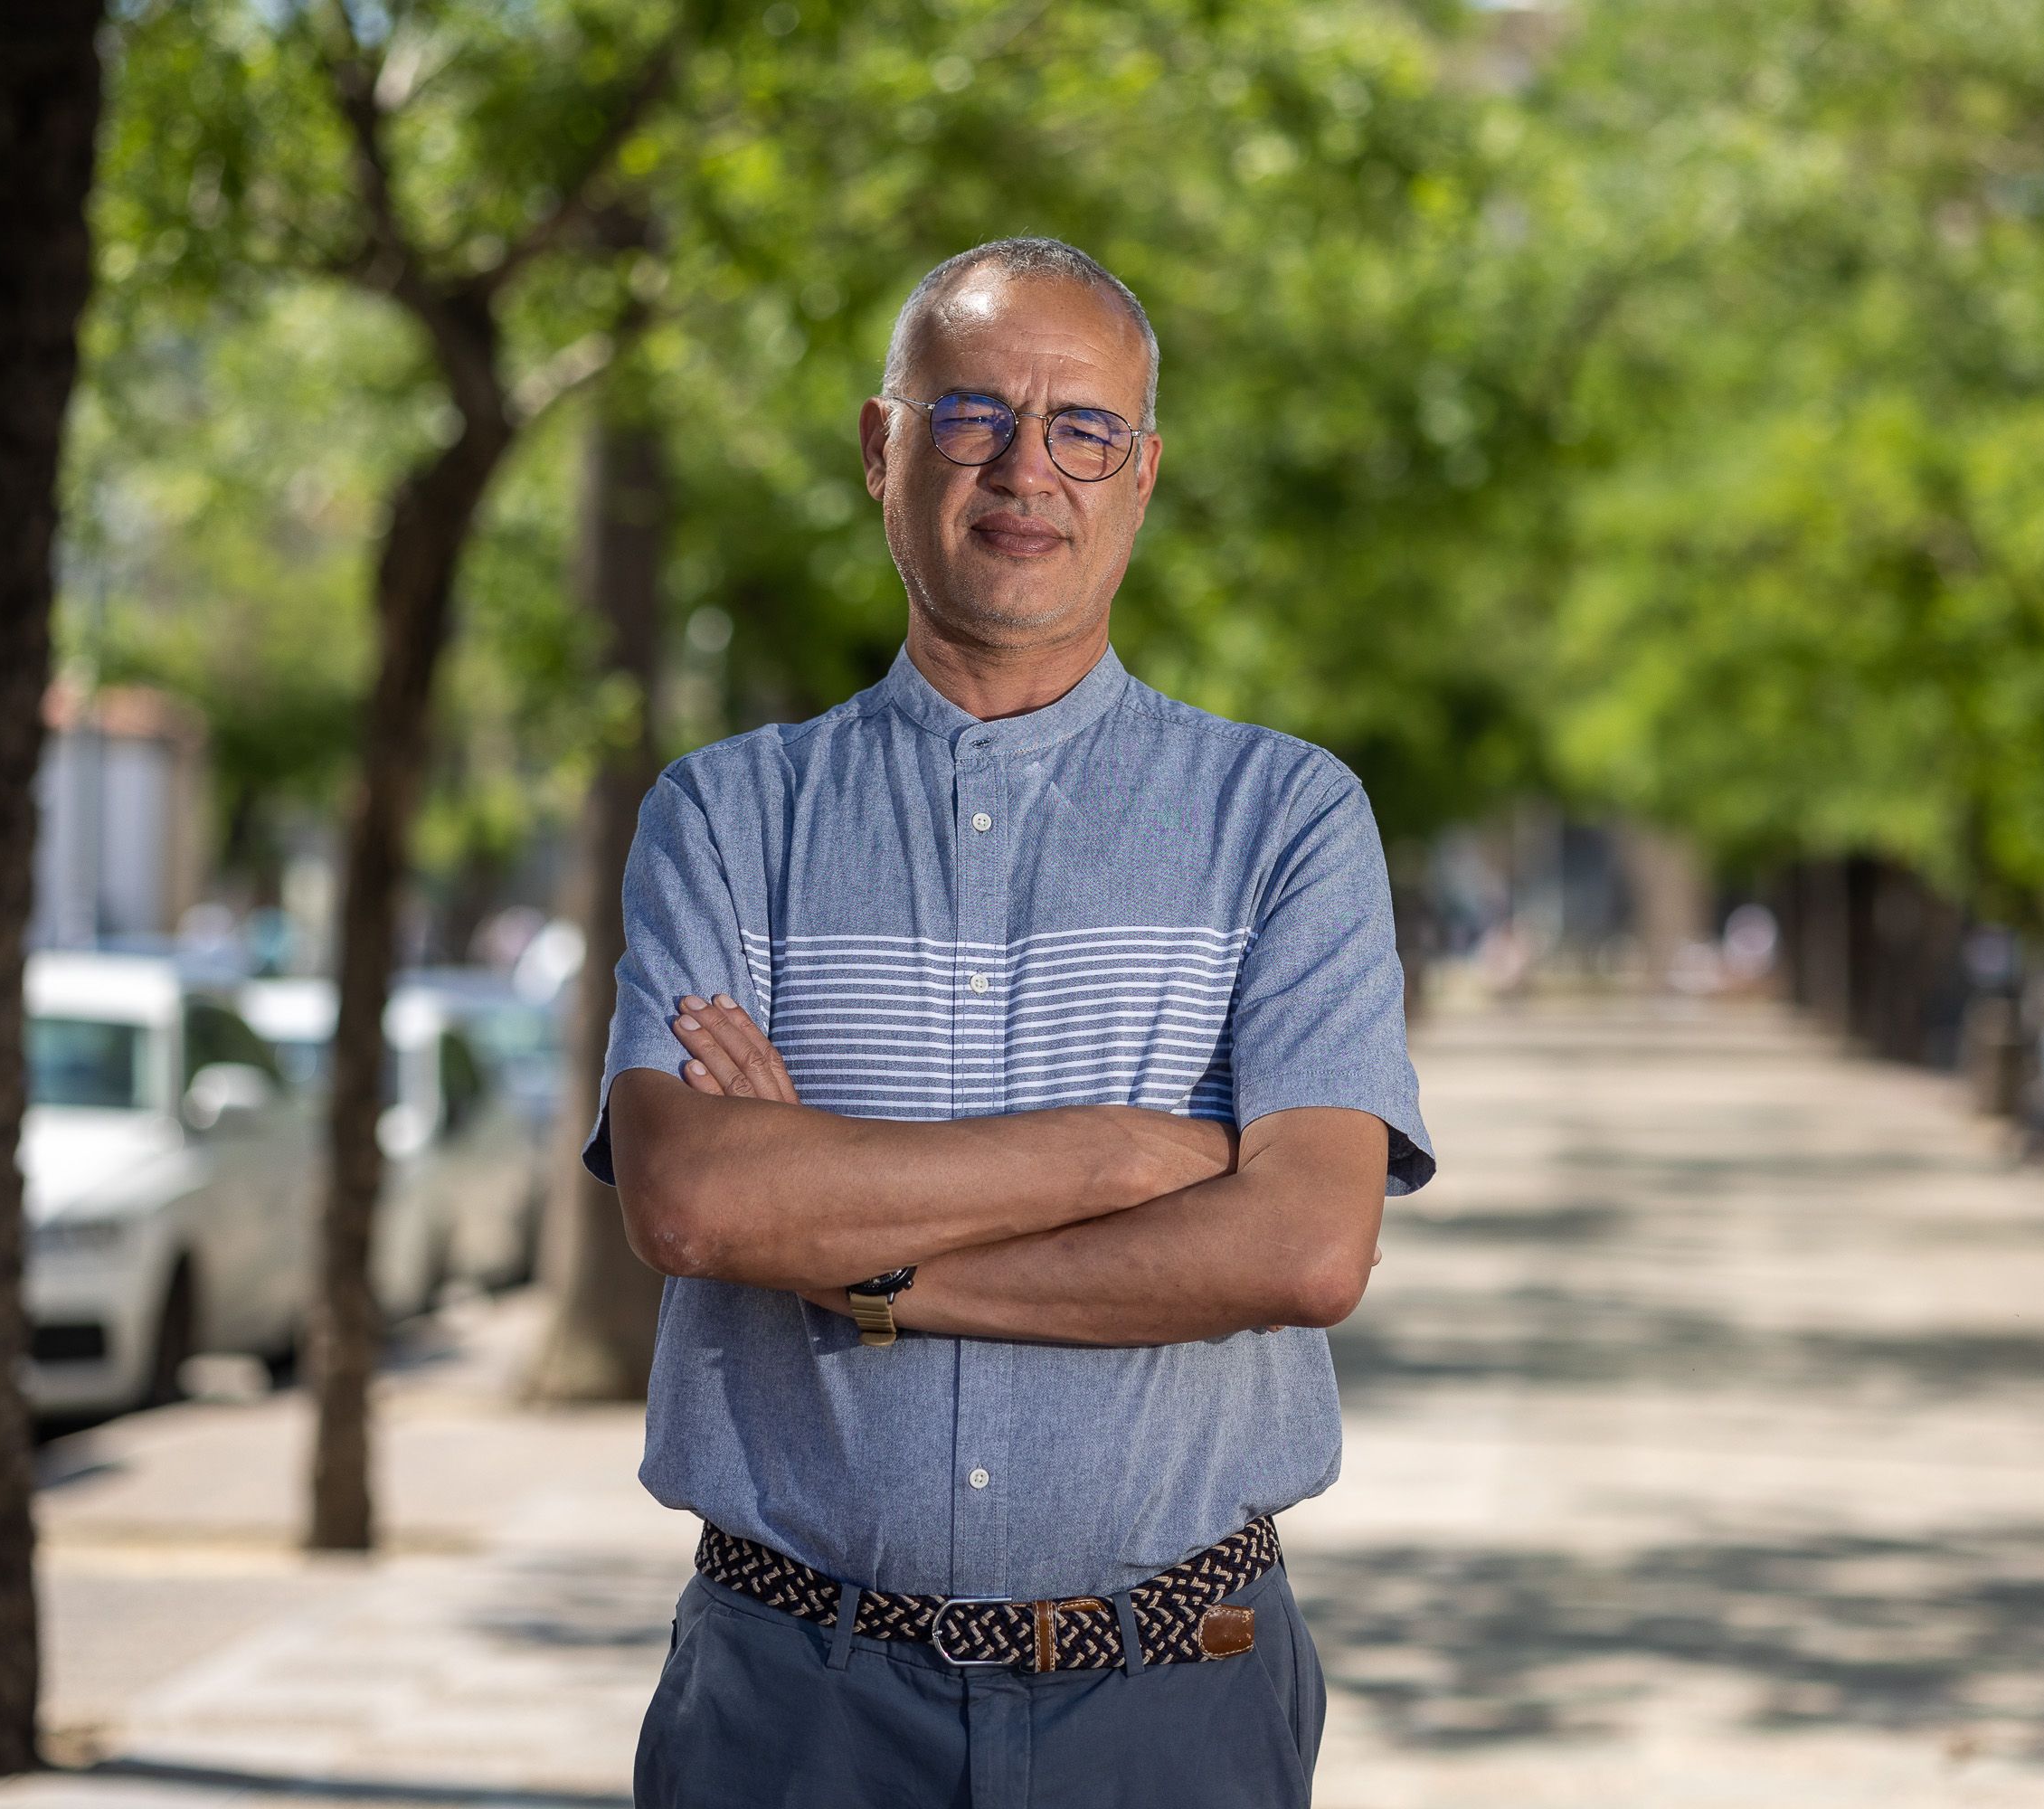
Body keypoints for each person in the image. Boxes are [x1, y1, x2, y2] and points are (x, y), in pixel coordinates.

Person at [589, 236, 1434, 1808]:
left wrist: (871, 1263)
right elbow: (699, 1200)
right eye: (970, 414)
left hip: (1175, 1702)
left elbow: (1306, 1251)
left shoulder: (1288, 819)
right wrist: (1124, 1156)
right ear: (880, 448)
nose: (1024, 468)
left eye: (1081, 427)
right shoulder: (725, 816)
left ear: (1144, 474)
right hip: (793, 1705)